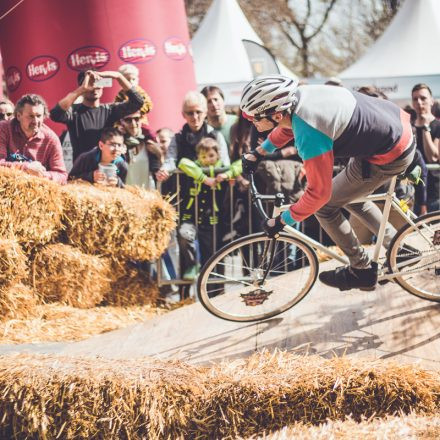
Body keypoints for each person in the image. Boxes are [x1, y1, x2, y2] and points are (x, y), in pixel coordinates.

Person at [240, 75, 415, 291]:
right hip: (395, 127)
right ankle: (399, 248)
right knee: (349, 196)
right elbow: (286, 126)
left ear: (276, 113)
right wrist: (258, 153)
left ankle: (361, 270)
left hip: (390, 152)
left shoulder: (309, 133)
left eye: (254, 117)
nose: (251, 121)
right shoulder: (301, 98)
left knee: (325, 207)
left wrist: (282, 221)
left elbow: (318, 194)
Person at [177, 136, 241, 280]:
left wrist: (227, 174)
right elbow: (182, 162)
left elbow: (241, 163)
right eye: (203, 156)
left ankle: (215, 290)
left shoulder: (222, 168)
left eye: (211, 155)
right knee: (183, 234)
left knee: (212, 254)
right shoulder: (196, 168)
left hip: (212, 219)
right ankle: (193, 264)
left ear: (218, 155)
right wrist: (204, 179)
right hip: (191, 216)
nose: (207, 159)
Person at [50, 69, 144, 162]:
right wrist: (80, 90)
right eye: (90, 84)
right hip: (83, 171)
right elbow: (55, 114)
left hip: (108, 169)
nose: (95, 87)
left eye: (98, 83)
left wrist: (118, 76)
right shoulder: (74, 112)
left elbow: (137, 102)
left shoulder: (110, 110)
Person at [155, 91, 230, 182]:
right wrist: (164, 170)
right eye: (190, 113)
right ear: (183, 114)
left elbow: (225, 163)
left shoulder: (216, 136)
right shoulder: (178, 138)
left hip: (212, 190)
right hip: (185, 190)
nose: (195, 117)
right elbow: (170, 160)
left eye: (198, 112)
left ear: (205, 112)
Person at [0, 94, 67, 184]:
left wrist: (43, 175)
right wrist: (26, 168)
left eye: (39, 116)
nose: (35, 121)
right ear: (18, 116)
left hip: (36, 190)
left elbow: (62, 175)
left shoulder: (51, 139)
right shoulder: (3, 129)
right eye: (31, 116)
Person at [411, 83, 440, 213]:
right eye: (415, 99)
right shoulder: (408, 127)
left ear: (431, 101)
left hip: (435, 192)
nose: (419, 102)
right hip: (412, 194)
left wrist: (426, 128)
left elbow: (433, 157)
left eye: (423, 98)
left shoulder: (438, 126)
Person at [118, 111, 161, 188]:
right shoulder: (117, 144)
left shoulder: (149, 142)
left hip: (148, 195)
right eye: (128, 120)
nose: (133, 123)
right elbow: (113, 169)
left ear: (141, 119)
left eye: (136, 119)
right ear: (122, 122)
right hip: (125, 195)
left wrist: (159, 153)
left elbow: (161, 170)